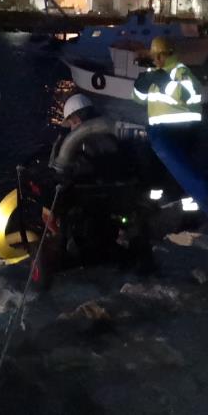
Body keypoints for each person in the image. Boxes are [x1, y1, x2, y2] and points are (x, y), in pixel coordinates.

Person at [32, 94, 153, 288]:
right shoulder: (118, 134)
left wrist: (48, 208)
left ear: (76, 120)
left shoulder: (72, 143)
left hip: (86, 209)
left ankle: (63, 251)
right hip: (121, 202)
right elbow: (138, 165)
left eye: (71, 124)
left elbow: (59, 179)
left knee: (53, 199)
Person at [133, 36, 204, 211]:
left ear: (164, 55)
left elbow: (186, 94)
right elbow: (139, 99)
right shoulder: (156, 73)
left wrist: (163, 81)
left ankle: (189, 211)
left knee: (183, 170)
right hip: (160, 131)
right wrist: (139, 86)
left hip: (183, 130)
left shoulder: (180, 72)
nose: (155, 60)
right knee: (155, 168)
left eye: (156, 56)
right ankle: (155, 202)